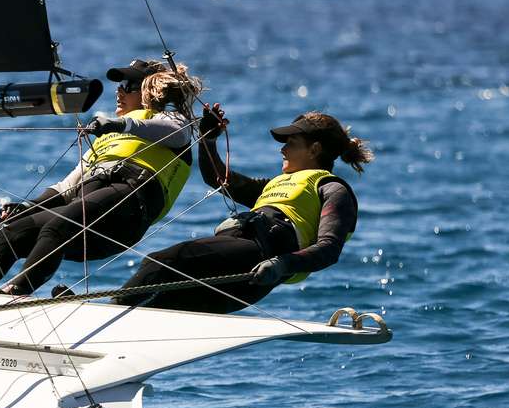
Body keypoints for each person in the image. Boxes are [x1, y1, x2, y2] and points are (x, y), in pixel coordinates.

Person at [0, 59, 202, 295]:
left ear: (149, 93)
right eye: (119, 86)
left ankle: (16, 291)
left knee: (60, 223)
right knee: (15, 230)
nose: (119, 91)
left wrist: (120, 124)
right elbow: (68, 186)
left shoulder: (167, 120)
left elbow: (179, 134)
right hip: (87, 209)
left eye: (129, 86)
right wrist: (28, 206)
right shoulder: (112, 136)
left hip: (128, 210)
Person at [114, 105, 373, 313]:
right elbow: (218, 179)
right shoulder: (275, 184)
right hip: (233, 270)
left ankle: (105, 313)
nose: (282, 149)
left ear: (314, 149)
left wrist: (282, 265)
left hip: (258, 267)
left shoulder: (332, 189)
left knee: (162, 263)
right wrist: (209, 139)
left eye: (291, 143)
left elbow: (329, 249)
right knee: (160, 306)